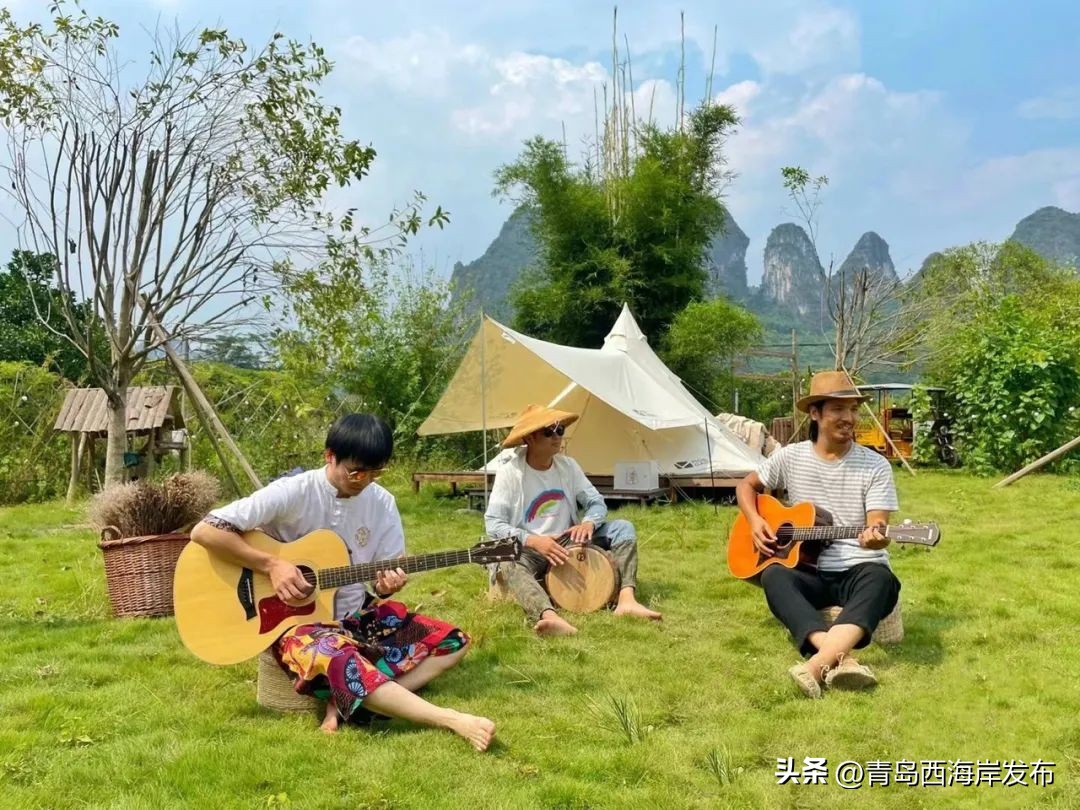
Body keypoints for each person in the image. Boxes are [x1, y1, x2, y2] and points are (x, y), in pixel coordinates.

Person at [190, 413, 495, 751]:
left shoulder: (382, 503)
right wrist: (273, 564)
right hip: (296, 625)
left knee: (453, 641)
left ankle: (353, 702)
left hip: (353, 616)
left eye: (375, 472)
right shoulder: (294, 491)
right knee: (337, 656)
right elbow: (205, 530)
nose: (364, 480)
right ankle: (449, 719)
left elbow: (382, 581)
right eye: (356, 471)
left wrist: (386, 586)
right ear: (329, 456)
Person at [734, 371, 901, 698]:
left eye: (853, 410)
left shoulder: (875, 466)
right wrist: (755, 521)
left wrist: (875, 538)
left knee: (881, 579)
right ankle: (844, 660)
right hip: (808, 569)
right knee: (773, 576)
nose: (849, 418)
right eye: (838, 409)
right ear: (815, 413)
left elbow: (877, 523)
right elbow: (746, 486)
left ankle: (815, 665)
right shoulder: (790, 457)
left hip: (858, 568)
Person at [485, 404, 662, 637]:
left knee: (623, 528)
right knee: (506, 560)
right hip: (532, 548)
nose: (557, 437)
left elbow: (596, 502)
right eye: (549, 432)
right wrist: (534, 541)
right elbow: (494, 523)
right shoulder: (510, 473)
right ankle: (548, 616)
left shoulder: (568, 466)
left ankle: (626, 600)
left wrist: (588, 522)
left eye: (560, 430)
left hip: (568, 541)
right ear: (529, 438)